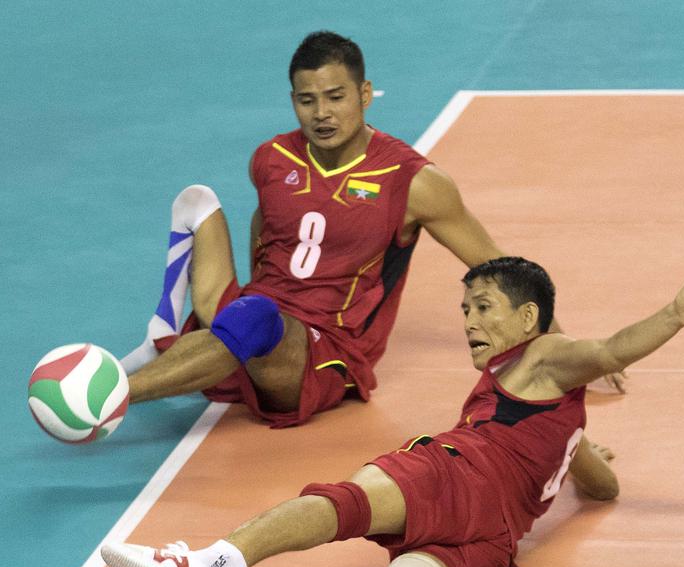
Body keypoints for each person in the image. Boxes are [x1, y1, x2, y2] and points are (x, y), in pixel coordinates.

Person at [101, 257, 684, 567]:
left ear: (528, 319)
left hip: (457, 473)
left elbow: (608, 351)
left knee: (343, 502)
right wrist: (578, 455)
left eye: (484, 307)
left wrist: (673, 315)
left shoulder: (543, 353)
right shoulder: (561, 419)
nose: (469, 321)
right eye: (464, 308)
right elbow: (603, 488)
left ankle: (215, 565)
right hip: (495, 540)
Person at [117, 30, 623, 430]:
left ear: (364, 94)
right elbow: (265, 235)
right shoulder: (271, 158)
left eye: (336, 97)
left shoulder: (414, 182)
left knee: (254, 317)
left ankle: (110, 399)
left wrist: (568, 351)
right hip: (258, 320)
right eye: (307, 100)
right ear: (292, 100)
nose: (322, 114)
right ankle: (170, 335)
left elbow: (495, 268)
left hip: (323, 353)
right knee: (198, 202)